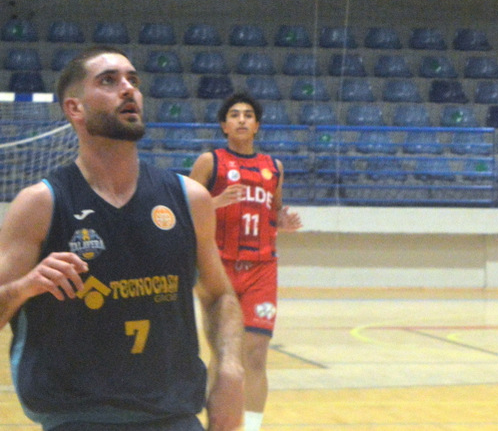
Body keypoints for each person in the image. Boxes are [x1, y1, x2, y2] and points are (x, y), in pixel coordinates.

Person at [0, 47, 243, 431]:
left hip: (174, 414)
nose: (128, 89)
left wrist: (230, 371)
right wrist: (24, 288)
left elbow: (219, 296)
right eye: (109, 81)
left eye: (133, 80)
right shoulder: (40, 205)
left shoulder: (188, 198)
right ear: (74, 108)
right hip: (77, 417)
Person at [189, 94, 302, 431]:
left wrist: (281, 221)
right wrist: (215, 202)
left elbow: (273, 209)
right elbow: (184, 210)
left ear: (257, 125)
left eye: (248, 115)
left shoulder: (274, 168)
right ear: (224, 126)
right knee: (225, 357)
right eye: (234, 115)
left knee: (254, 356)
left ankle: (249, 428)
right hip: (217, 267)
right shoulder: (210, 162)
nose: (241, 120)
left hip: (262, 269)